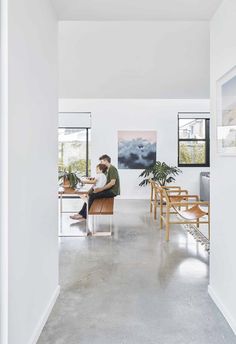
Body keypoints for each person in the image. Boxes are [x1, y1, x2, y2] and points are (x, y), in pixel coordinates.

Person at [70, 154, 120, 220]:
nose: (101, 163)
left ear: (105, 161)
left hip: (112, 191)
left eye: (101, 162)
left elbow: (112, 183)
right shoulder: (107, 170)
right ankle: (81, 213)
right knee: (90, 194)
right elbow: (101, 179)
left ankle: (84, 216)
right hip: (108, 189)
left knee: (92, 196)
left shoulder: (112, 168)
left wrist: (100, 189)